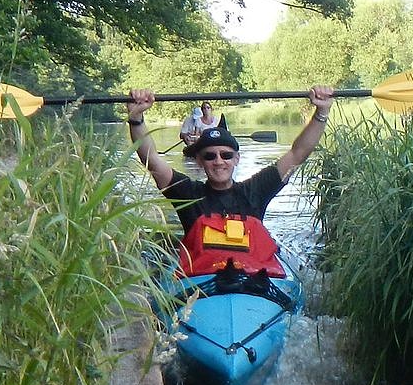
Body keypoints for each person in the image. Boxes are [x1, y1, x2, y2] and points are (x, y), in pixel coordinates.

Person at [128, 85, 333, 273]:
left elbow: (298, 153)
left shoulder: (256, 189)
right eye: (210, 156)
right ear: (199, 161)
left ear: (237, 159)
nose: (219, 161)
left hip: (252, 282)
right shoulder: (187, 193)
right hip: (203, 285)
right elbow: (151, 159)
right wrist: (136, 118)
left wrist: (321, 112)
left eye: (226, 155)